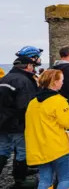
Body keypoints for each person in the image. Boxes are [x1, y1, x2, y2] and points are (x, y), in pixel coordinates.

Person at [25, 69, 69, 189]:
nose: (63, 83)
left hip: (39, 148)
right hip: (58, 147)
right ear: (54, 82)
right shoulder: (58, 101)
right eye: (61, 80)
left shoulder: (33, 102)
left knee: (44, 180)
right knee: (65, 178)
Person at [0, 46, 42, 187]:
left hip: (3, 121)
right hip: (17, 123)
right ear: (29, 65)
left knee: (3, 149)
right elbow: (26, 106)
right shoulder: (23, 81)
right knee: (22, 150)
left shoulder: (6, 78)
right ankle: (20, 180)